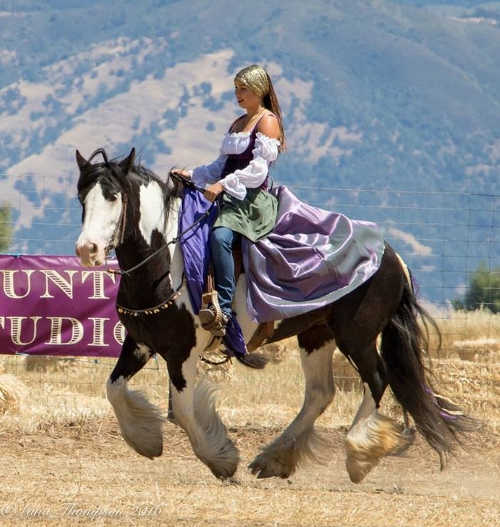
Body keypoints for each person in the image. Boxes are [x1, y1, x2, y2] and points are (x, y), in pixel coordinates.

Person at [172, 64, 285, 336]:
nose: (238, 93)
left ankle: (222, 306)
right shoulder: (237, 123)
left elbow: (257, 172)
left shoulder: (267, 121)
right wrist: (191, 174)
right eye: (236, 88)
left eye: (243, 88)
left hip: (251, 201)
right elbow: (220, 165)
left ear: (259, 90)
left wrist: (222, 185)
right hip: (228, 197)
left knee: (220, 236)